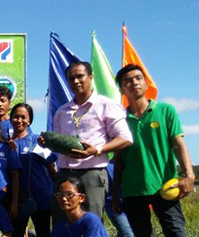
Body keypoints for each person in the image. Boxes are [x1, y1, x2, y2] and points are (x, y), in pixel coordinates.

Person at [113, 64, 196, 237]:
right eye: (128, 80)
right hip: (133, 188)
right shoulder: (121, 120)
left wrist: (188, 174)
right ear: (122, 88)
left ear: (146, 83)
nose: (134, 83)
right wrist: (116, 191)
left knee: (176, 235)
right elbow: (118, 159)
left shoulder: (165, 111)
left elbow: (179, 145)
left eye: (138, 78)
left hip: (165, 188)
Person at [43, 61, 133, 222]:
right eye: (71, 78)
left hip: (92, 175)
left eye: (80, 76)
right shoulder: (62, 111)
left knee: (90, 223)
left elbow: (125, 138)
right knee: (61, 224)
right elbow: (58, 143)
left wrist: (97, 150)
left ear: (90, 77)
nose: (75, 81)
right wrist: (47, 142)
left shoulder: (106, 105)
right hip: (64, 174)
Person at [8, 103, 57, 237]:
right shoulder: (7, 144)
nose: (19, 120)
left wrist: (57, 190)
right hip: (17, 198)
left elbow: (51, 168)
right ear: (11, 118)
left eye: (24, 117)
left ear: (29, 121)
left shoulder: (37, 141)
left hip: (40, 196)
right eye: (16, 116)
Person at [104, 160, 134, 237]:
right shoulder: (107, 166)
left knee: (123, 234)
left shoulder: (131, 164)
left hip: (129, 203)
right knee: (127, 233)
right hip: (112, 203)